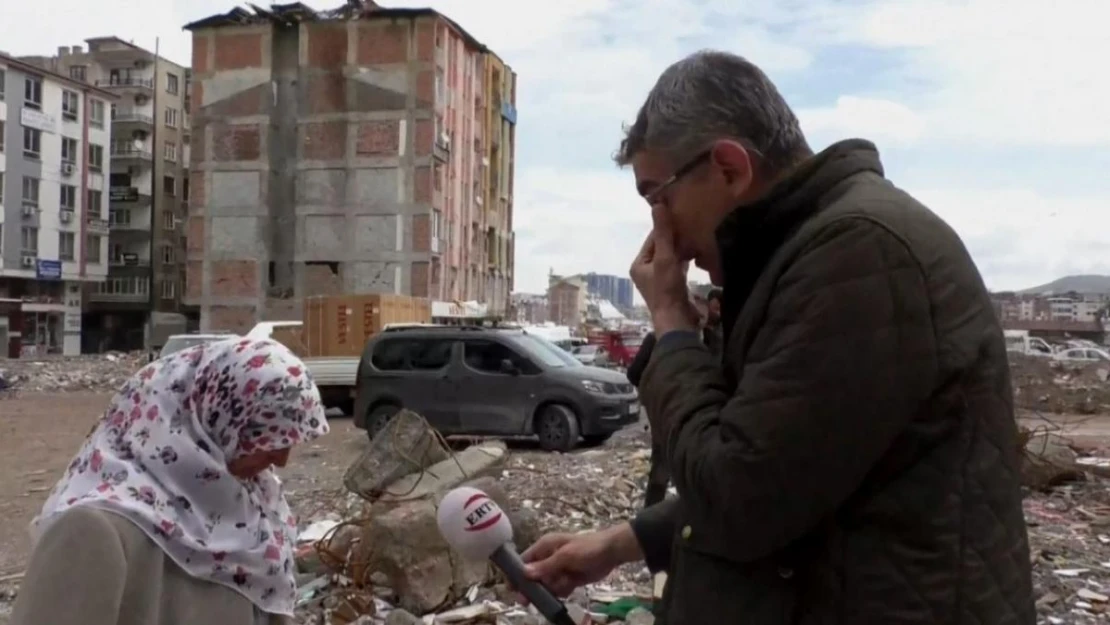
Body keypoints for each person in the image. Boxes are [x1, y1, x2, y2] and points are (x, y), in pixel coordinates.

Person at [522, 50, 1034, 624]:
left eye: (657, 196)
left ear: (729, 169)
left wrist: (670, 322)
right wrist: (623, 542)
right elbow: (794, 469)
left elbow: (739, 498)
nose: (662, 230)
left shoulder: (858, 254)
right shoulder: (810, 254)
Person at [11, 337, 330, 625]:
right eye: (265, 437)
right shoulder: (96, 531)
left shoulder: (256, 515)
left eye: (288, 439)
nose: (281, 460)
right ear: (212, 422)